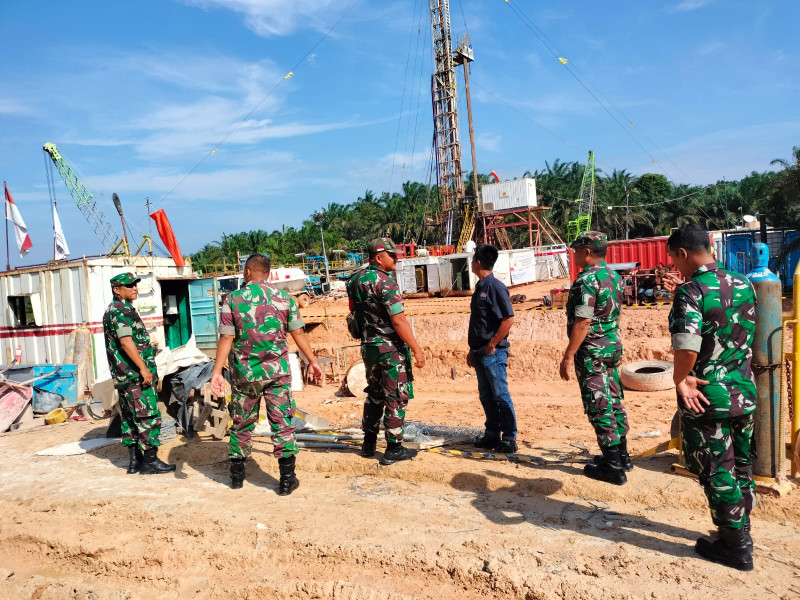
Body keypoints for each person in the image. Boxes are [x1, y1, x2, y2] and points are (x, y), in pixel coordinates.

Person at [663, 224, 756, 571]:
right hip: (743, 392)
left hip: (708, 399)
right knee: (742, 467)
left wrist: (681, 379)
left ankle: (736, 548)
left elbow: (686, 347)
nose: (675, 267)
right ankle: (741, 527)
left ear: (683, 253)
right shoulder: (744, 283)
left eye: (674, 260)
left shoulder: (691, 291)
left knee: (717, 471)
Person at [210, 254, 322, 494]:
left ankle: (237, 478)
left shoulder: (233, 299)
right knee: (282, 424)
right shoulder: (285, 298)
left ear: (247, 272)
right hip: (277, 374)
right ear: (268, 274)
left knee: (241, 424)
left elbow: (227, 337)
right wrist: (312, 361)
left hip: (245, 374)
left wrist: (217, 371)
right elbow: (299, 333)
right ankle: (286, 481)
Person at [560, 231, 631, 485]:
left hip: (592, 351)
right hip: (612, 346)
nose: (574, 254)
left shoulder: (586, 281)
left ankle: (612, 466)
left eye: (576, 250)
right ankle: (622, 455)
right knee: (613, 398)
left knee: (598, 404)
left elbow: (583, 321)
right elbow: (617, 314)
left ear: (587, 252)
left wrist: (568, 356)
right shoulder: (613, 276)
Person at [347, 237, 425, 465]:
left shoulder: (354, 281)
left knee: (374, 393)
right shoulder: (386, 282)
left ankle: (369, 443)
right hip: (389, 348)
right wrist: (416, 349)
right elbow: (399, 320)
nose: (397, 258)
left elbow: (355, 315)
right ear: (378, 257)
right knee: (395, 396)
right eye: (392, 255)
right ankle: (393, 448)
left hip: (368, 347)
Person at [103, 272, 176, 475]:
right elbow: (126, 343)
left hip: (125, 377)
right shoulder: (120, 311)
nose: (134, 288)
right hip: (135, 376)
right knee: (148, 416)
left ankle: (135, 462)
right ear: (117, 290)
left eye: (135, 284)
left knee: (130, 418)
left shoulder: (118, 309)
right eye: (129, 286)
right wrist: (144, 368)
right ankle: (150, 461)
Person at [466, 243, 518, 453]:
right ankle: (491, 435)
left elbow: (508, 319)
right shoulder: (480, 287)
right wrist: (473, 349)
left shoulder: (495, 287)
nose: (471, 263)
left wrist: (493, 343)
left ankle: (509, 438)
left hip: (492, 353)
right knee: (486, 396)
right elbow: (479, 323)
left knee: (500, 395)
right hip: (480, 351)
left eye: (472, 260)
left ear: (478, 263)